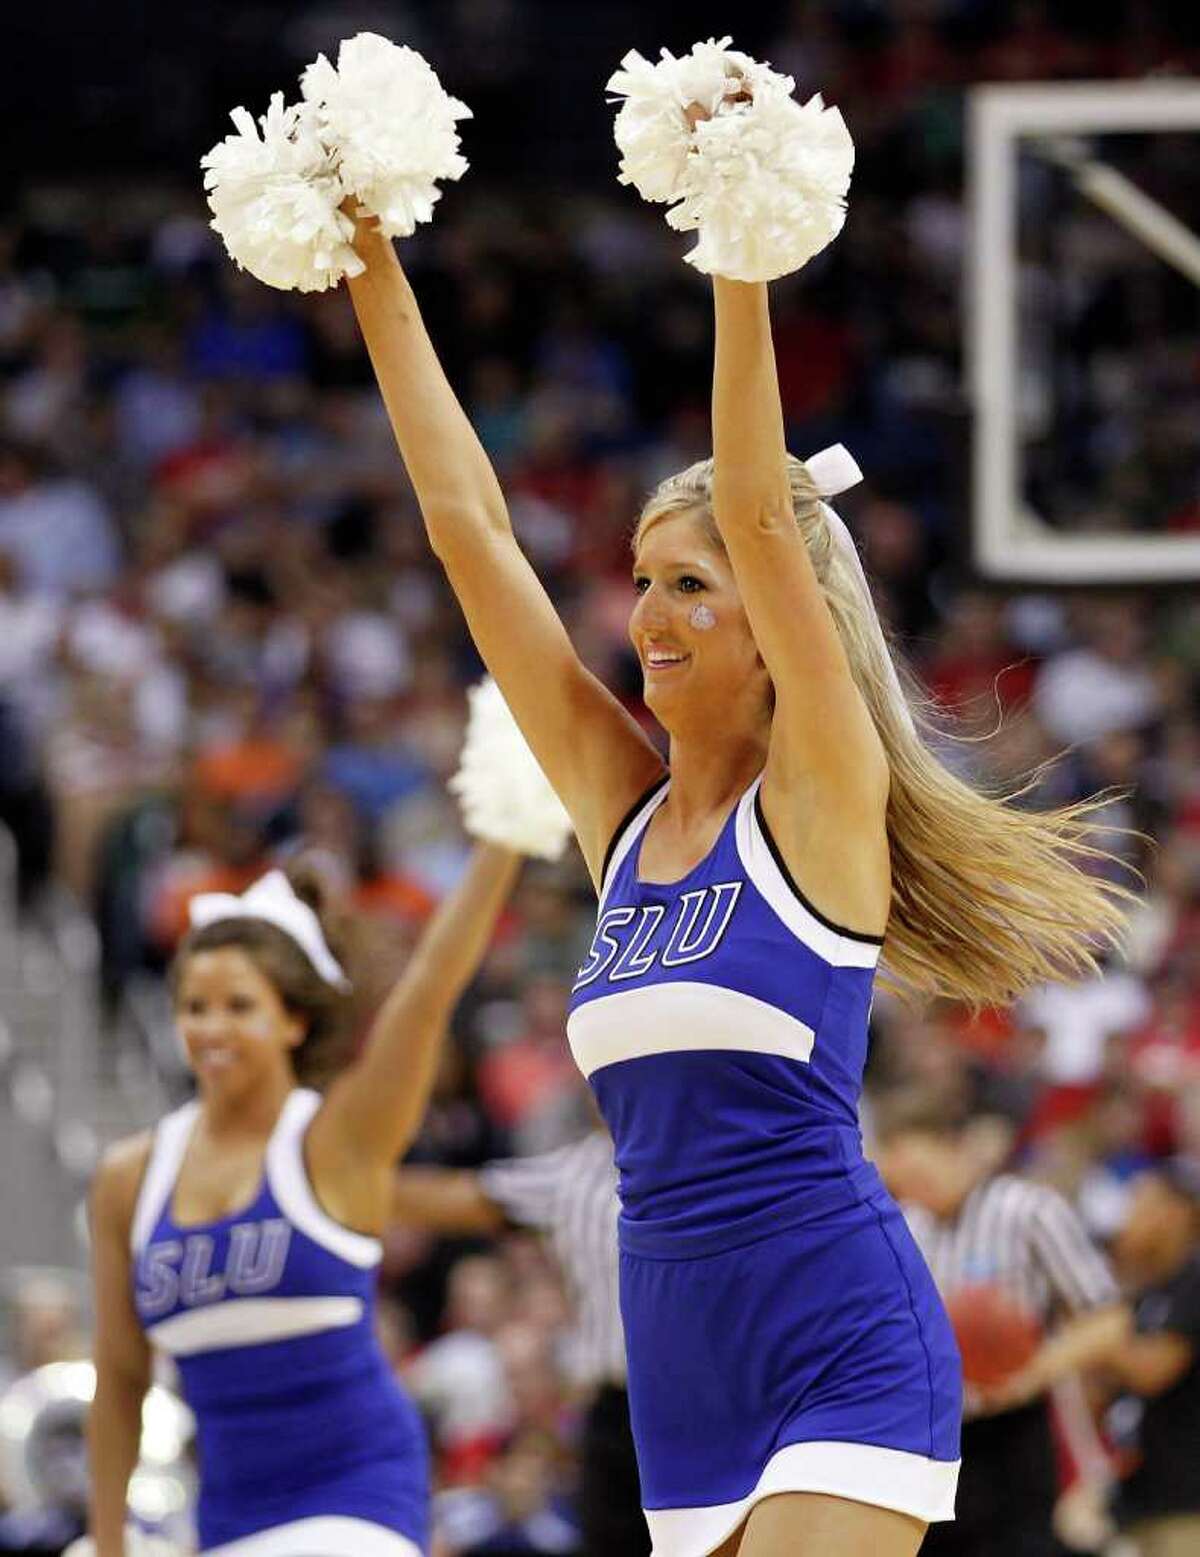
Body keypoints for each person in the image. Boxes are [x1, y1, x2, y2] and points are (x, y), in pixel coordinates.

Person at [345, 100, 1129, 1557]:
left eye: (692, 586)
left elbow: (769, 519)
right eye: (644, 580)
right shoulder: (620, 820)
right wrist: (373, 261)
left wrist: (737, 241)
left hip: (841, 1342)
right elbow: (471, 533)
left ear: (777, 630)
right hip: (678, 1380)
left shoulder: (821, 798)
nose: (652, 616)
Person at [87, 831, 525, 1557]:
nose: (211, 1028)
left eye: (239, 1005)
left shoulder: (334, 1139)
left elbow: (430, 986)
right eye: (194, 1006)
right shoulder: (129, 1177)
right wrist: (109, 1546)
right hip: (226, 1512)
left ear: (293, 1019)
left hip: (357, 1495)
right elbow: (120, 1378)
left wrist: (507, 837)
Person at [874, 1092, 1129, 1557]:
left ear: (953, 1148)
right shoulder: (905, 1226)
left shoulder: (1027, 1209)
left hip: (1016, 1427)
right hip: (933, 1433)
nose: (913, 1188)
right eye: (901, 1180)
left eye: (918, 1173)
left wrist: (1030, 1372)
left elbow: (1109, 1318)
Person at [391, 1123, 646, 1556]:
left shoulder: (718, 1156)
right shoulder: (578, 1169)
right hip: (615, 1411)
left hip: (710, 1404)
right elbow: (459, 1196)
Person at [1106, 1158, 1200, 1556]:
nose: (1128, 1218)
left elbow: (1151, 1370)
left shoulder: (1194, 1279)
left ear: (1177, 1213)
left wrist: (1090, 1337)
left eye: (1141, 1204)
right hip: (1145, 1497)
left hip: (1188, 1505)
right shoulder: (1152, 1289)